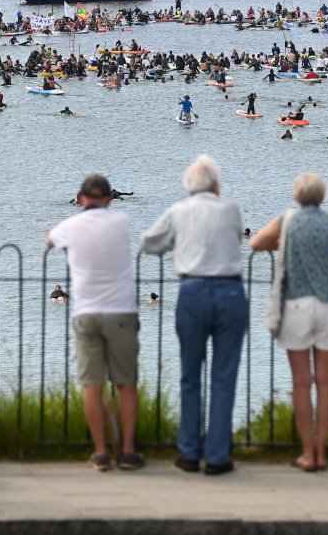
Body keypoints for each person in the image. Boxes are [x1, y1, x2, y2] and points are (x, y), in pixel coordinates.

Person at [250, 172, 328, 471]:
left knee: (301, 383)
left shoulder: (286, 221)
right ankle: (322, 452)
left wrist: (287, 246)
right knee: (325, 383)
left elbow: (257, 243)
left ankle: (307, 453)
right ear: (322, 196)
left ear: (296, 196)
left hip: (296, 306)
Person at [140, 155, 246, 476]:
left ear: (189, 187)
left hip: (193, 292)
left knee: (190, 375)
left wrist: (176, 243)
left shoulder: (178, 211)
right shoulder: (230, 209)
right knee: (223, 377)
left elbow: (148, 243)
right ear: (216, 185)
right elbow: (237, 238)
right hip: (229, 292)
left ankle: (188, 452)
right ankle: (216, 456)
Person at [46, 174, 144, 471]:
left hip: (87, 313)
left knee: (93, 385)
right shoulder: (121, 222)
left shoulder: (71, 226)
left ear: (80, 197)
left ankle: (100, 452)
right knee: (126, 384)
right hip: (121, 312)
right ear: (110, 199)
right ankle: (127, 451)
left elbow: (49, 240)